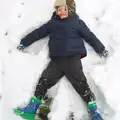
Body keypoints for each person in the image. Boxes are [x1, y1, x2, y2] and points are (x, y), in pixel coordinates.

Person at [14, 0, 108, 120]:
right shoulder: (52, 24)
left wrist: (101, 49)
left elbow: (90, 36)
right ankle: (32, 109)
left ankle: (94, 111)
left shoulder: (77, 23)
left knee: (81, 84)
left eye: (64, 9)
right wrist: (24, 42)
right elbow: (38, 33)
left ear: (71, 9)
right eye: (58, 9)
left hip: (72, 59)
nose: (61, 12)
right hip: (56, 61)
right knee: (44, 80)